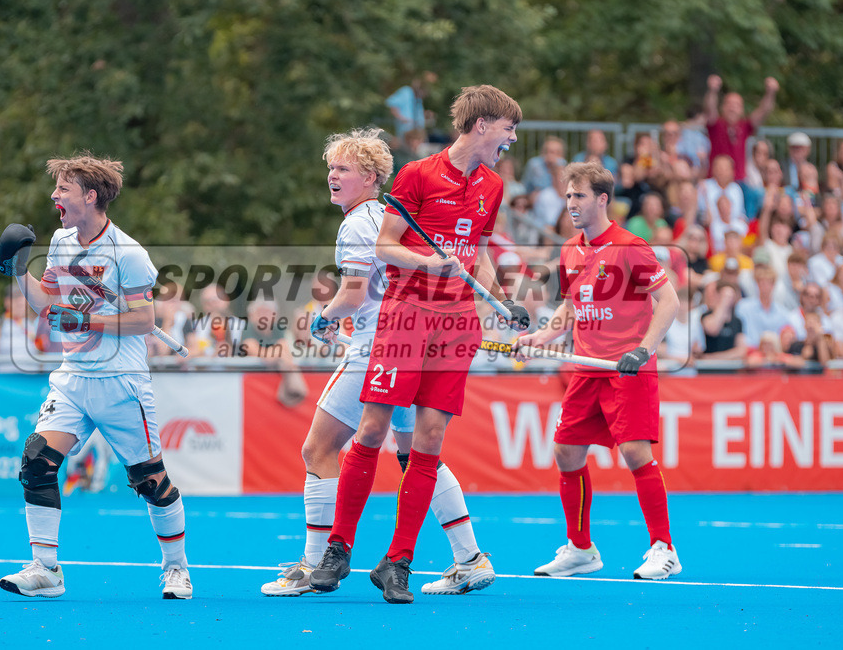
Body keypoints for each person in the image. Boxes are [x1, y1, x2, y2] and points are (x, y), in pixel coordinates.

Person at [309, 86, 527, 604]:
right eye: (508, 129)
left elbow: (478, 253)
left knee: (429, 439)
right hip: (406, 318)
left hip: (457, 325)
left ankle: (398, 561)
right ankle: (338, 548)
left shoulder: (492, 186)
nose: (512, 139)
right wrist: (429, 263)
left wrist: (504, 302)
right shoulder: (417, 175)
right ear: (481, 125)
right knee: (373, 427)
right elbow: (386, 245)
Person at [261, 127, 496, 598]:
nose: (331, 175)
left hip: (378, 345)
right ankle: (469, 557)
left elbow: (351, 296)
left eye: (342, 169)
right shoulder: (393, 216)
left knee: (318, 449)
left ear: (369, 178)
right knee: (415, 455)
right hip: (416, 341)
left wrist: (323, 320)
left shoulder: (358, 224)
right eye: (331, 167)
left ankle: (313, 565)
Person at [0, 152, 192, 600]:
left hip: (122, 381)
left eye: (63, 189)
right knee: (36, 461)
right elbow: (47, 304)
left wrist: (85, 321)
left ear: (90, 196)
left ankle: (176, 569)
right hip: (73, 378)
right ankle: (46, 570)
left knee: (151, 481)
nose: (54, 196)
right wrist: (18, 272)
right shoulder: (62, 242)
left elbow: (143, 321)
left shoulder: (130, 253)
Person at [512, 161, 682, 581]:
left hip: (626, 367)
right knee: (566, 452)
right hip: (586, 367)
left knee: (635, 453)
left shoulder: (631, 246)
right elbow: (570, 308)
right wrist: (539, 338)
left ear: (602, 199)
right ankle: (581, 549)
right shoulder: (570, 250)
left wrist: (643, 351)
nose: (571, 203)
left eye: (579, 196)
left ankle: (665, 548)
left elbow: (671, 302)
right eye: (569, 195)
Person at [703, 74, 779, 181]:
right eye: (729, 104)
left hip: (739, 181)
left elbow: (763, 112)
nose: (733, 108)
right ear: (723, 107)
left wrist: (770, 93)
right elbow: (710, 108)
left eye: (737, 105)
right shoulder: (716, 124)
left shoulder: (745, 126)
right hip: (715, 180)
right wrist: (712, 90)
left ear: (742, 110)